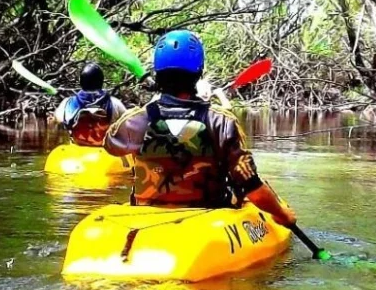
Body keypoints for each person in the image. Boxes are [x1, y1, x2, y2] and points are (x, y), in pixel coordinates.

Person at [103, 30, 297, 228]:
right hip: (207, 217)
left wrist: (151, 105)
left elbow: (111, 145)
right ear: (199, 73)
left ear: (157, 73)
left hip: (145, 215)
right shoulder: (221, 121)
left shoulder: (136, 119)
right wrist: (283, 214)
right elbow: (250, 185)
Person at [54, 62, 127, 147]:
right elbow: (127, 121)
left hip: (77, 147)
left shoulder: (68, 102)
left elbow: (58, 119)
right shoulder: (114, 103)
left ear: (81, 81)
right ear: (101, 82)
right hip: (104, 148)